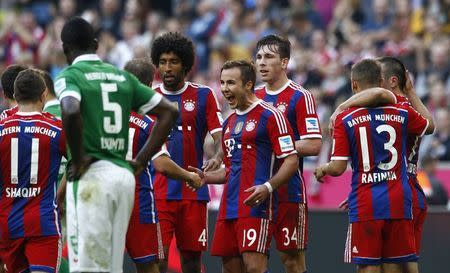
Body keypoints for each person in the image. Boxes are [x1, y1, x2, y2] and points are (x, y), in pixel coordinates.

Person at [56, 17, 178, 273]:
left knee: (88, 265)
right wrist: (141, 160)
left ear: (65, 48)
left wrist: (78, 159)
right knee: (111, 265)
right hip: (124, 177)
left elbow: (69, 108)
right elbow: (169, 111)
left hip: (92, 176)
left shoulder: (71, 75)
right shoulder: (121, 77)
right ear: (97, 44)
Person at [314, 59, 433, 273]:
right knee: (402, 263)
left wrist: (341, 106)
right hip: (402, 192)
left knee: (372, 266)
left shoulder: (347, 117)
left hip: (372, 197)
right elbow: (429, 126)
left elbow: (338, 166)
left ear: (354, 85)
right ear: (379, 81)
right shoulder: (403, 110)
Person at [189, 59, 299, 273]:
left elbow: (291, 160)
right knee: (230, 269)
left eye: (230, 83)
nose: (224, 89)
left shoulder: (272, 115)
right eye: (222, 83)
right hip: (228, 207)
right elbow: (231, 170)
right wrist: (206, 177)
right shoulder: (229, 123)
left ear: (248, 84)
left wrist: (267, 187)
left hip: (255, 206)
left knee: (254, 268)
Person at [150, 32, 223, 273]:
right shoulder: (150, 98)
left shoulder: (204, 95)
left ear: (186, 64)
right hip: (158, 191)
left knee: (191, 261)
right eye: (162, 62)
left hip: (193, 192)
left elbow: (219, 134)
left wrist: (218, 155)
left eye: (173, 62)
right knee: (157, 260)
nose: (167, 68)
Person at [123, 58, 202, 273]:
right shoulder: (149, 122)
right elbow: (161, 164)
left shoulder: (102, 116)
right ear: (148, 86)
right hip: (137, 199)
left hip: (106, 197)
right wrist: (190, 176)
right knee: (150, 265)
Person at [254, 34, 322, 273]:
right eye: (259, 57)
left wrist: (278, 143)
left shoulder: (300, 96)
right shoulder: (253, 97)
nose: (261, 62)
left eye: (269, 57)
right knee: (251, 262)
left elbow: (313, 144)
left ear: (284, 63)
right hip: (254, 188)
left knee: (292, 261)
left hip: (287, 190)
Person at [0, 69, 66, 273]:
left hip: (8, 224)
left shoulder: (1, 128)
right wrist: (59, 197)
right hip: (43, 223)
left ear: (14, 96)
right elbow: (79, 162)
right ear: (44, 94)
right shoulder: (58, 129)